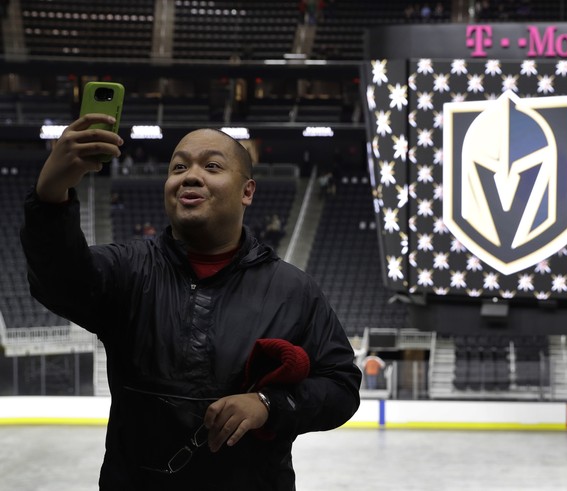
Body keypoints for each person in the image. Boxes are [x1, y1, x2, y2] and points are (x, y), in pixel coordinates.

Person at [20, 114, 361, 490]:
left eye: (211, 166)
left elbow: (342, 388)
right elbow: (57, 281)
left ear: (247, 191)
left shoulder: (294, 291)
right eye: (179, 166)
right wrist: (51, 196)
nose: (190, 175)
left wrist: (269, 403)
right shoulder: (127, 271)